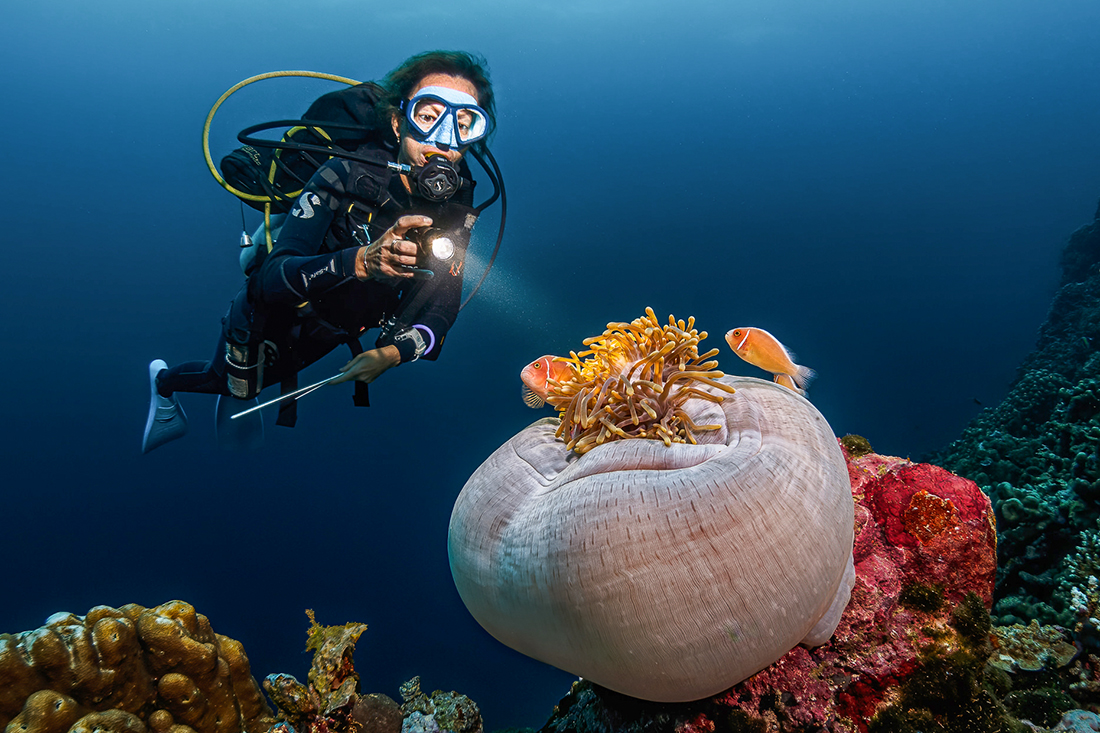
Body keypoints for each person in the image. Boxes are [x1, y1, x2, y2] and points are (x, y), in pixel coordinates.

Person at [143, 51, 496, 453]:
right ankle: (164, 384)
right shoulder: (342, 175)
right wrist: (361, 261)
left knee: (257, 385)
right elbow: (270, 281)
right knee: (231, 385)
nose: (445, 138)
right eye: (429, 116)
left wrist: (396, 352)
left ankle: (239, 391)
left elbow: (445, 307)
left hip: (335, 329)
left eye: (465, 123)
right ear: (398, 123)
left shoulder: (456, 210)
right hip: (271, 314)